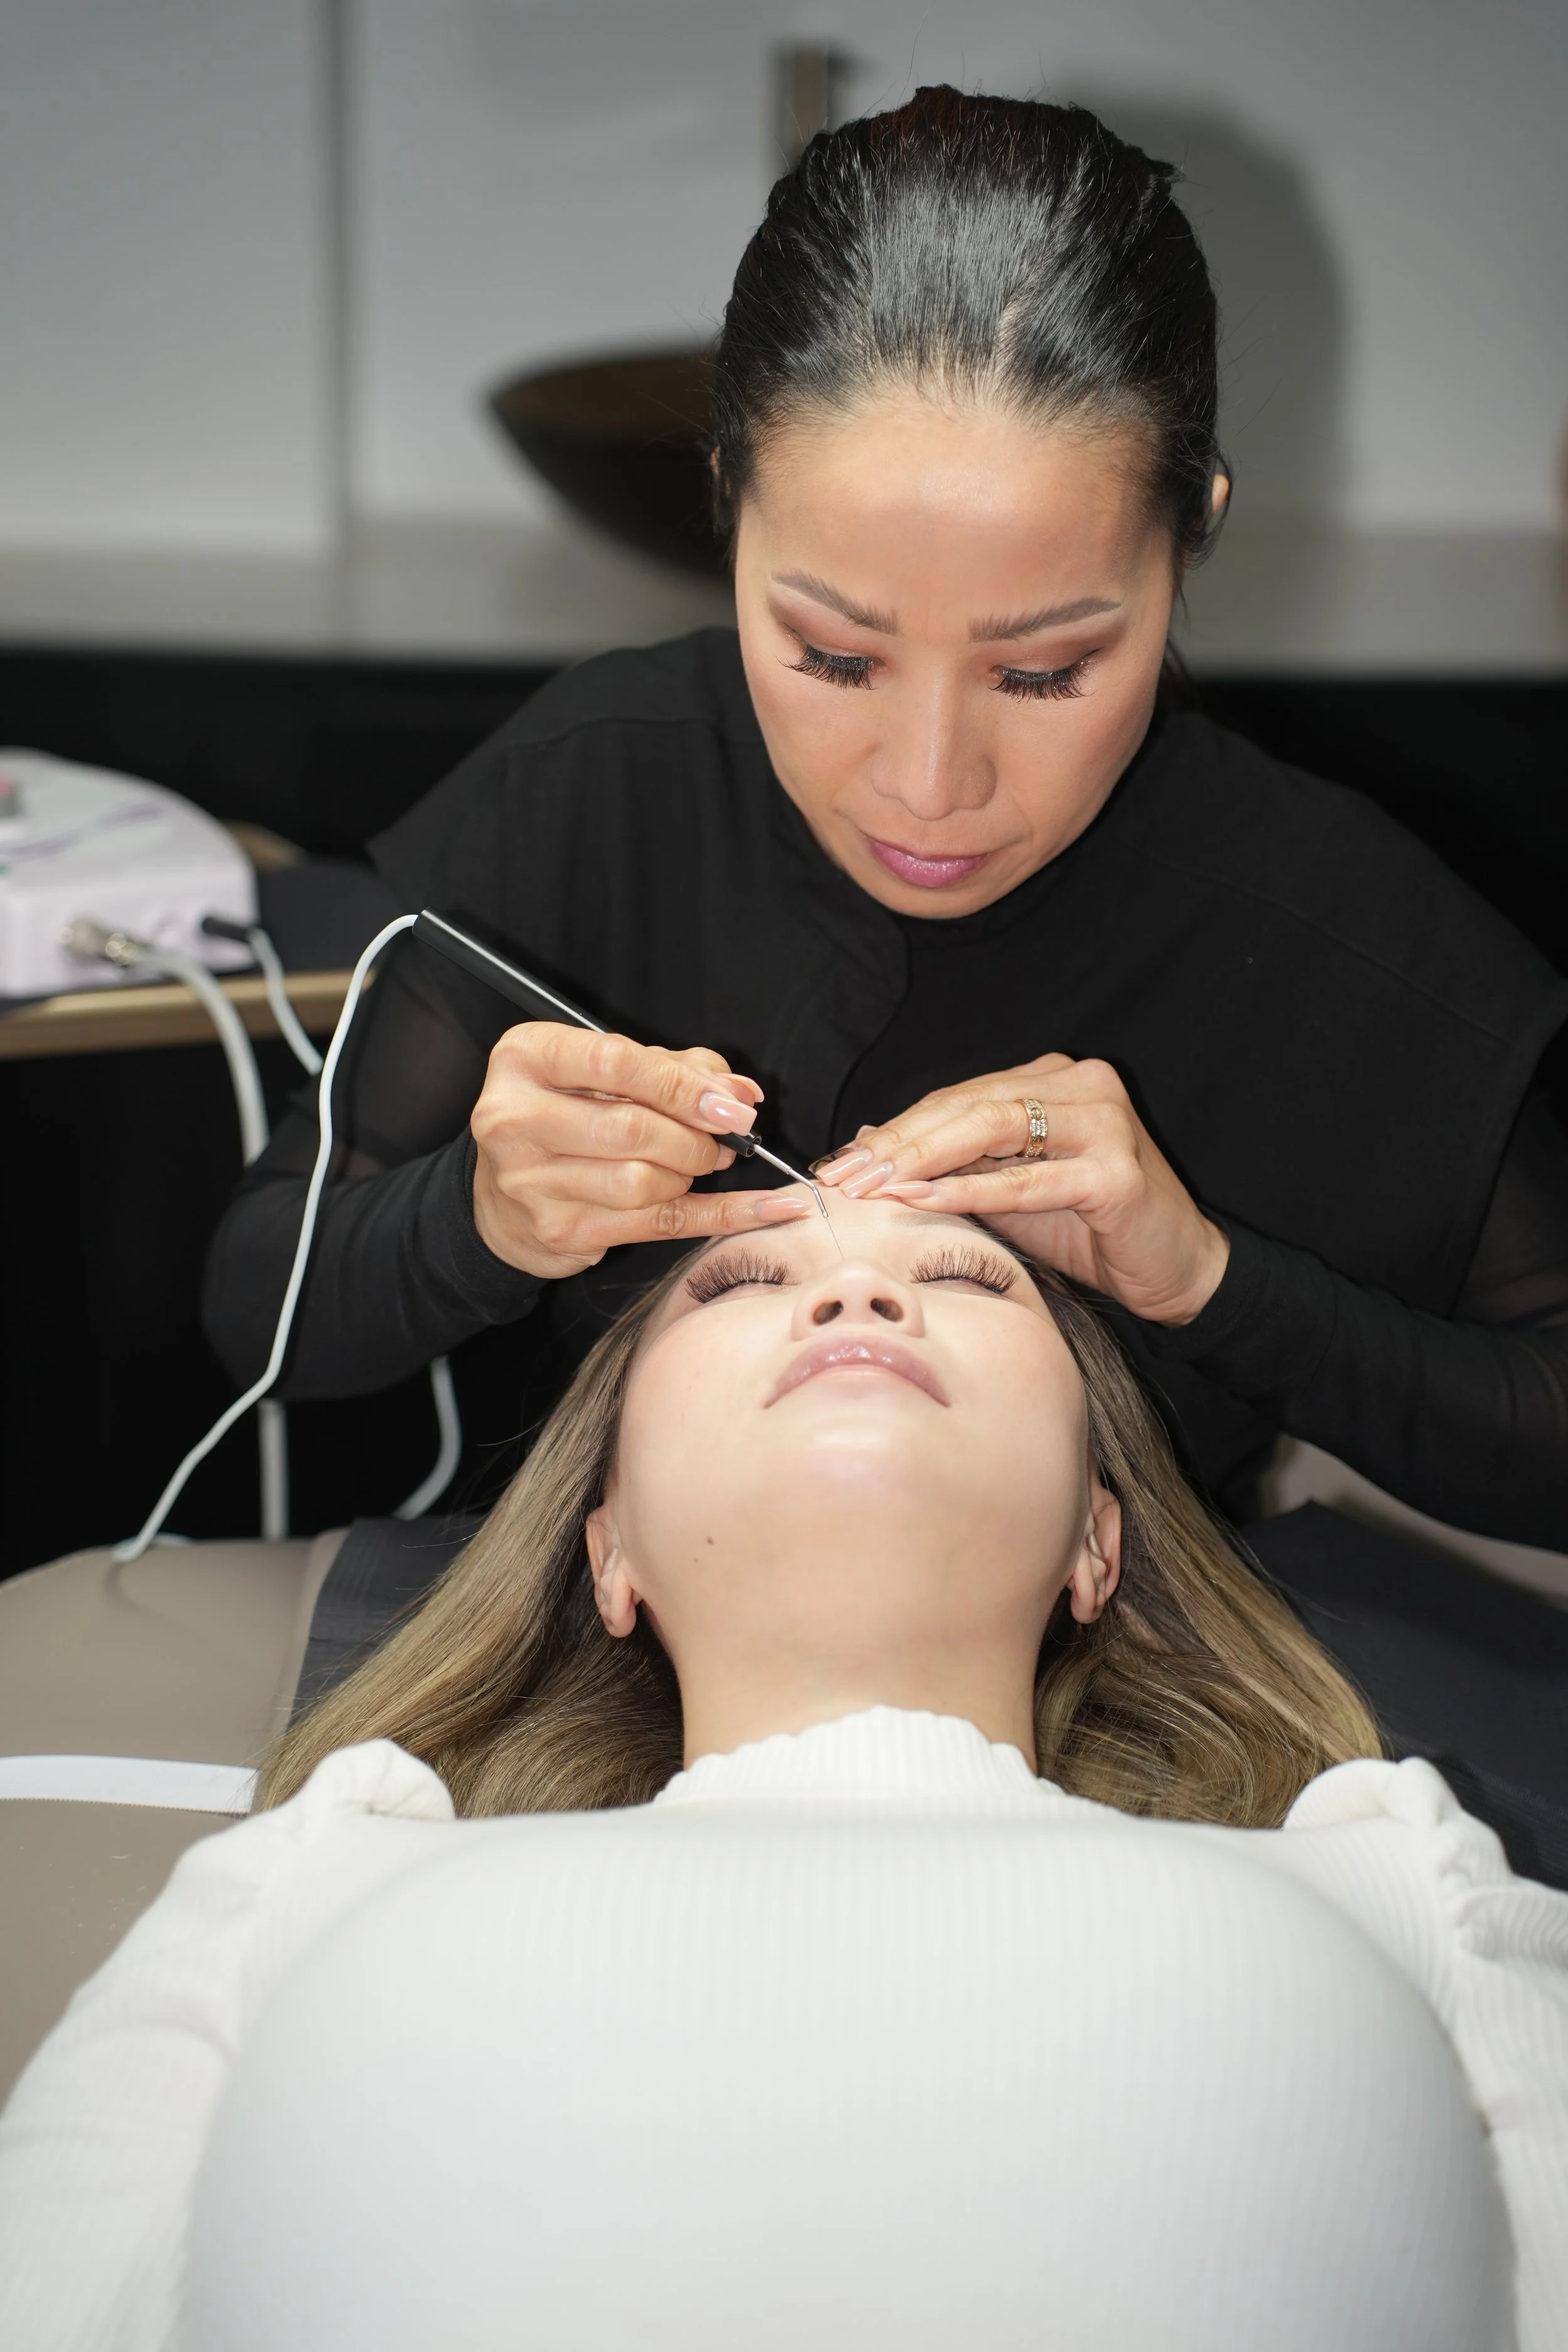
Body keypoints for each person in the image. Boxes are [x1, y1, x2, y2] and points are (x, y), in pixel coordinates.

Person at [203, 105, 1567, 1609]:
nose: (928, 788)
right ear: (728, 502)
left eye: (1043, 673)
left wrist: (1207, 1282)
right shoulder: (595, 794)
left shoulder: (1344, 943)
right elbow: (261, 1303)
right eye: (831, 655)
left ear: (1189, 539)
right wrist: (475, 1216)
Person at [4, 1194, 1565, 2349]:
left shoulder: (1391, 1869)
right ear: (603, 1547)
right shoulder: (321, 1861)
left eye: (960, 1277)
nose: (857, 1299)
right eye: (744, 1282)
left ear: (1102, 1539)